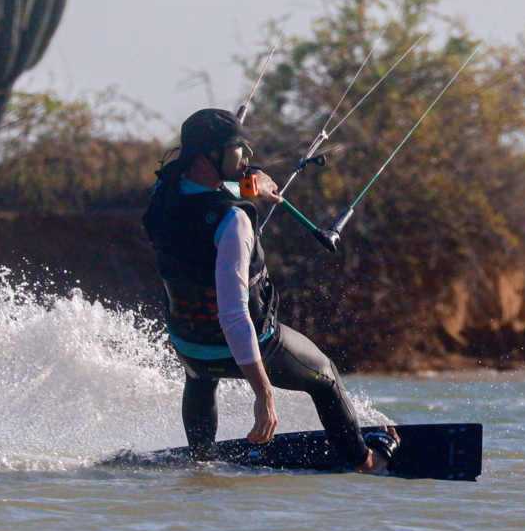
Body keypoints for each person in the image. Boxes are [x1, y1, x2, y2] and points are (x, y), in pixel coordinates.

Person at [143, 108, 396, 473]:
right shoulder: (234, 221)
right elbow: (233, 313)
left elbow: (198, 198)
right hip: (252, 342)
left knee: (201, 376)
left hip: (189, 345)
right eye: (238, 148)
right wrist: (263, 393)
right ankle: (367, 462)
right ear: (208, 155)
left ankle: (202, 464)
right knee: (325, 377)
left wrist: (249, 184)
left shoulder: (161, 194)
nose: (247, 156)